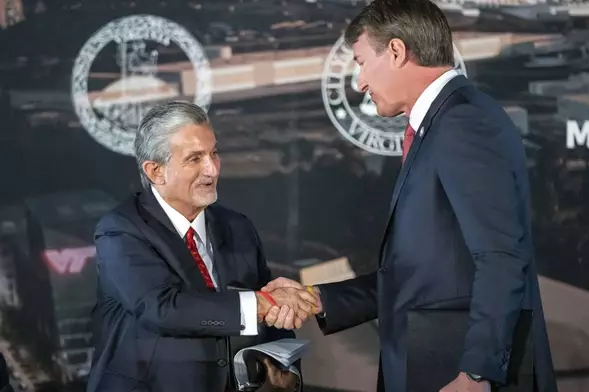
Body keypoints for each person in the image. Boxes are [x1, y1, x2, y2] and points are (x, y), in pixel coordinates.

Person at [262, 1, 557, 391]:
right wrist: (316, 299)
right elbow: (419, 276)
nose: (360, 82)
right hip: (429, 367)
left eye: (362, 62)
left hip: (456, 375)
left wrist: (476, 374)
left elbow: (502, 257)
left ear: (397, 52)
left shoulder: (463, 122)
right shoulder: (442, 124)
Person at [87, 101, 316, 392]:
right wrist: (260, 303)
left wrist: (286, 373)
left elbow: (269, 326)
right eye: (195, 159)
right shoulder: (121, 230)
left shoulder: (238, 227)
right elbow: (162, 308)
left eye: (214, 153)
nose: (212, 169)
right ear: (155, 171)